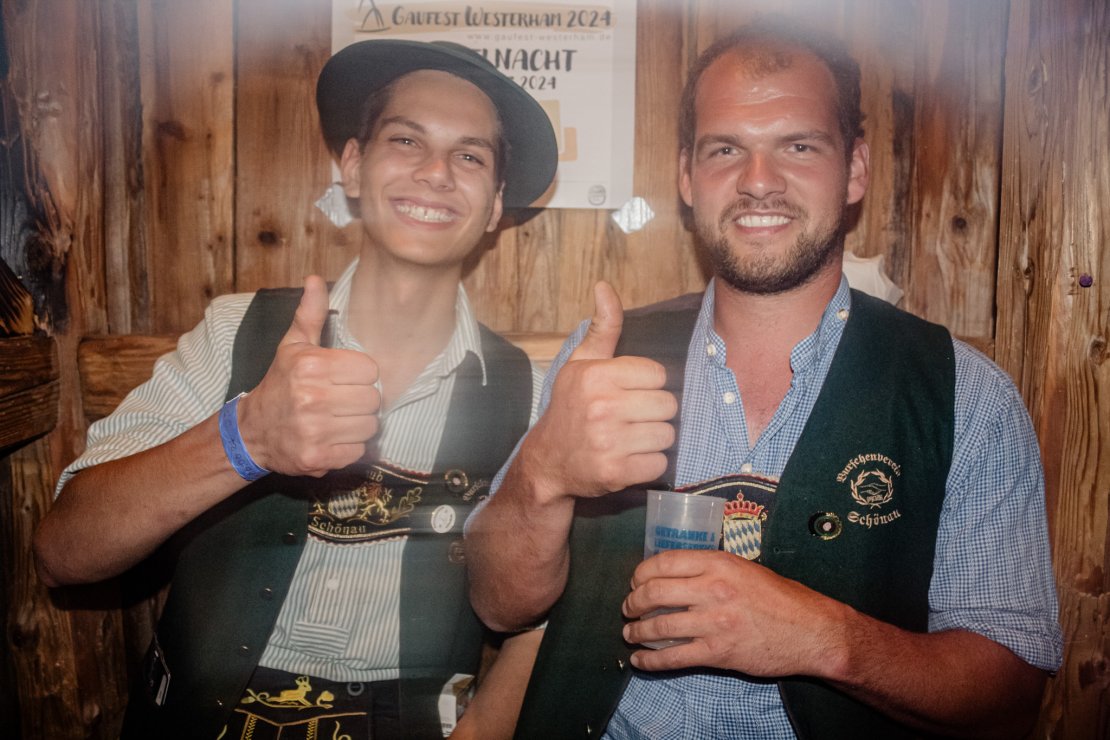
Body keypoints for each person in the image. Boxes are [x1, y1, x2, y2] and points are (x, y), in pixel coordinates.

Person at [465, 20, 1062, 740]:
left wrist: (825, 639)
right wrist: (542, 476)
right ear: (687, 176)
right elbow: (499, 606)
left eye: (798, 146)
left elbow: (1010, 697)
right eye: (726, 149)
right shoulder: (600, 360)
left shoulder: (967, 396)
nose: (758, 181)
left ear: (855, 169)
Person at [33, 39, 557, 739]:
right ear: (353, 165)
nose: (435, 172)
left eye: (469, 156)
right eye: (406, 140)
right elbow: (63, 553)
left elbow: (544, 614)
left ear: (493, 206)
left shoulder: (530, 393)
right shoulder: (236, 330)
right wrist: (244, 438)